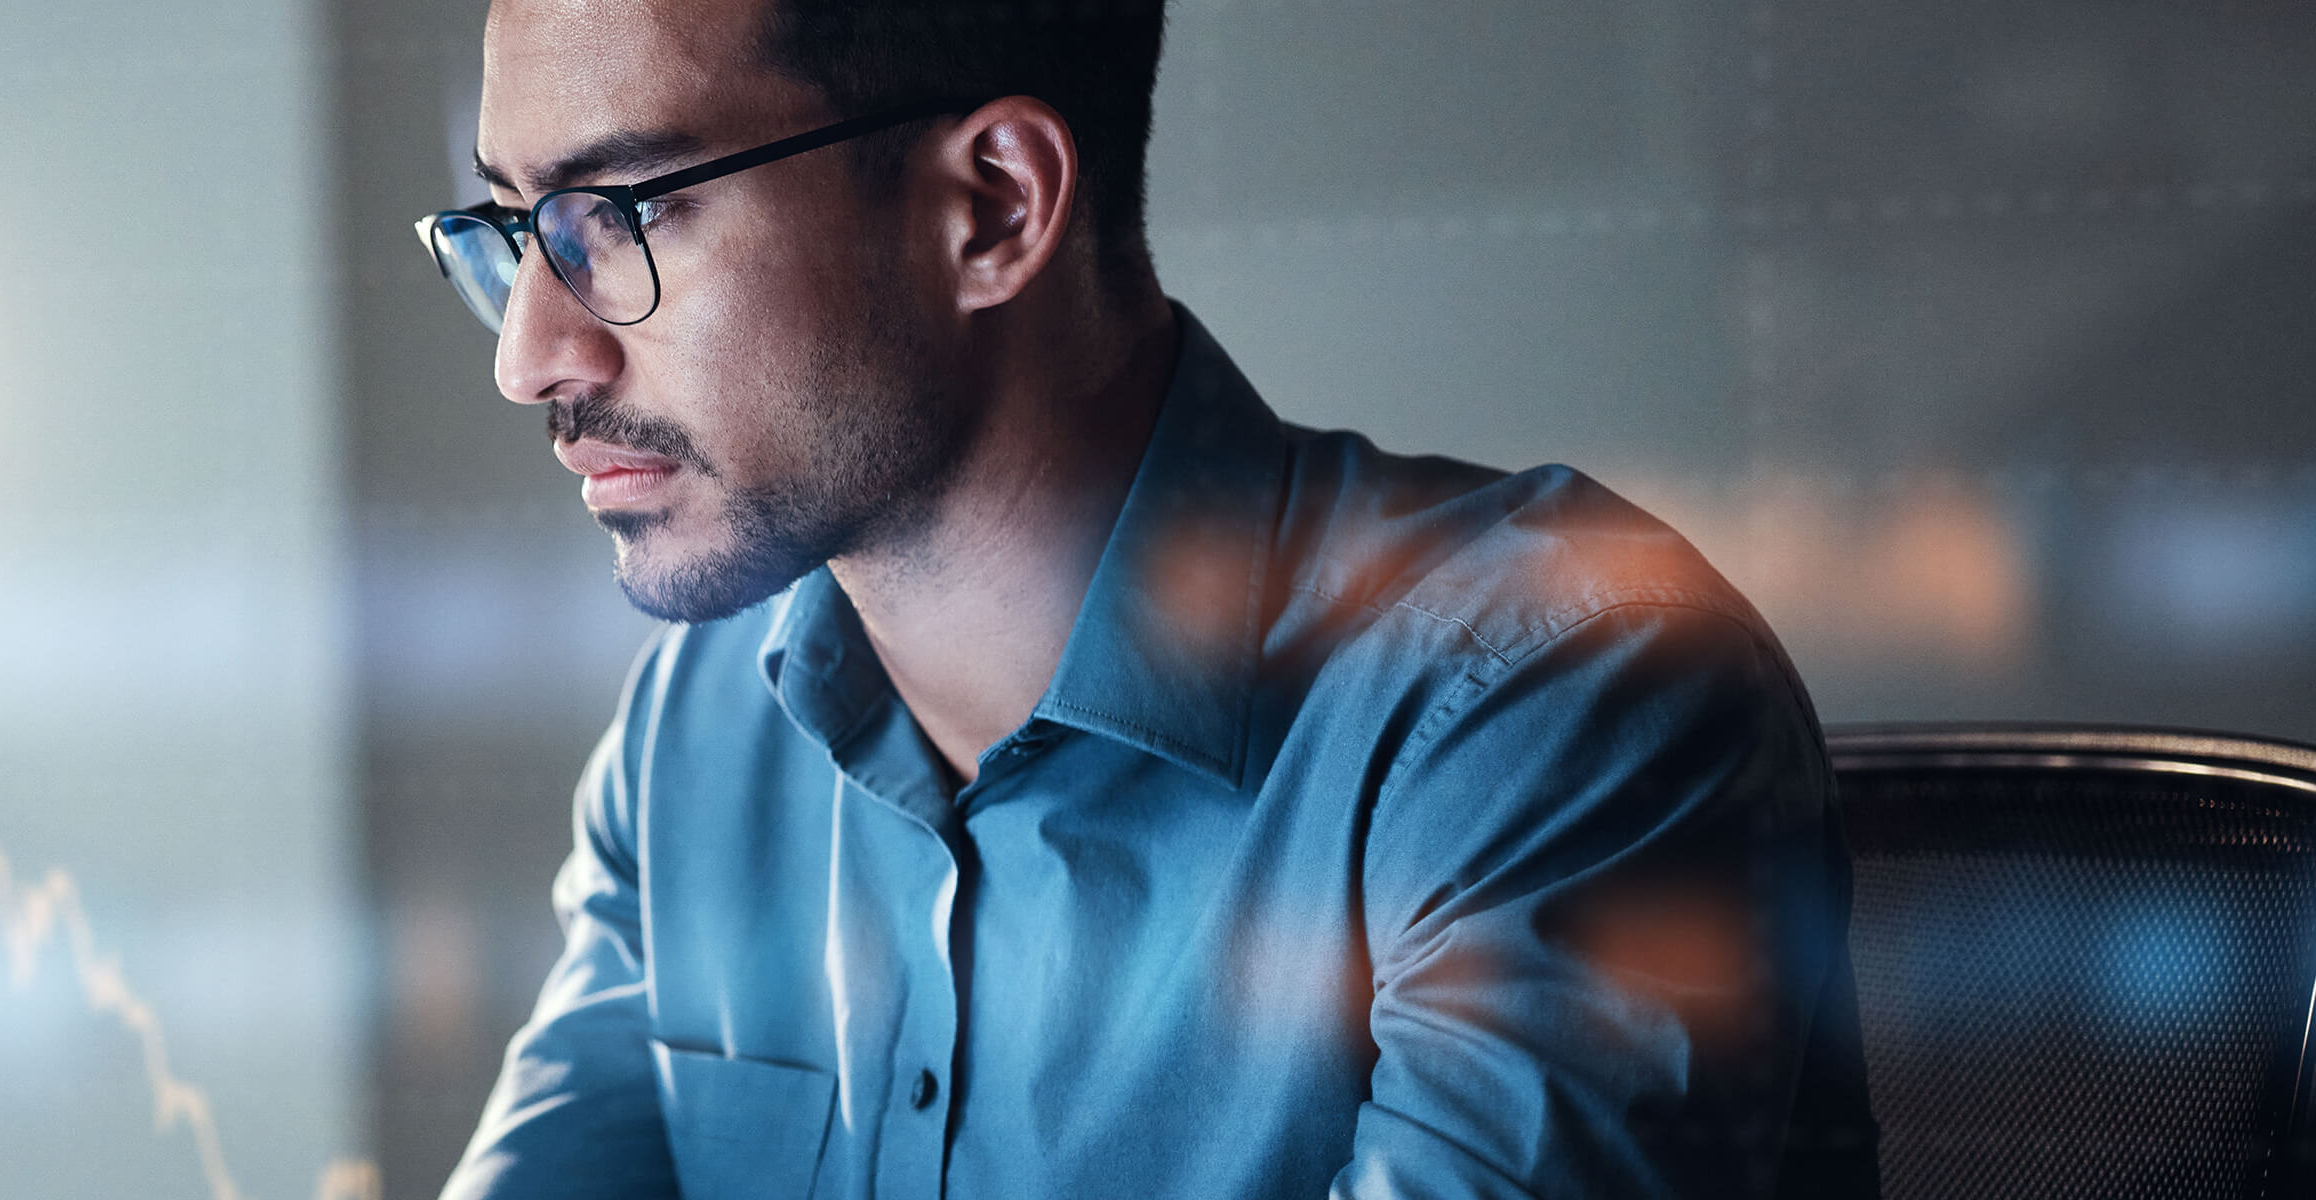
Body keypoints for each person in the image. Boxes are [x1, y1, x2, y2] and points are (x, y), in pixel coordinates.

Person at [404, 0, 1878, 1195]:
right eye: (516, 231)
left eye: (618, 219)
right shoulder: (699, 730)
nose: (529, 356)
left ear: (991, 207)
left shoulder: (1560, 699)